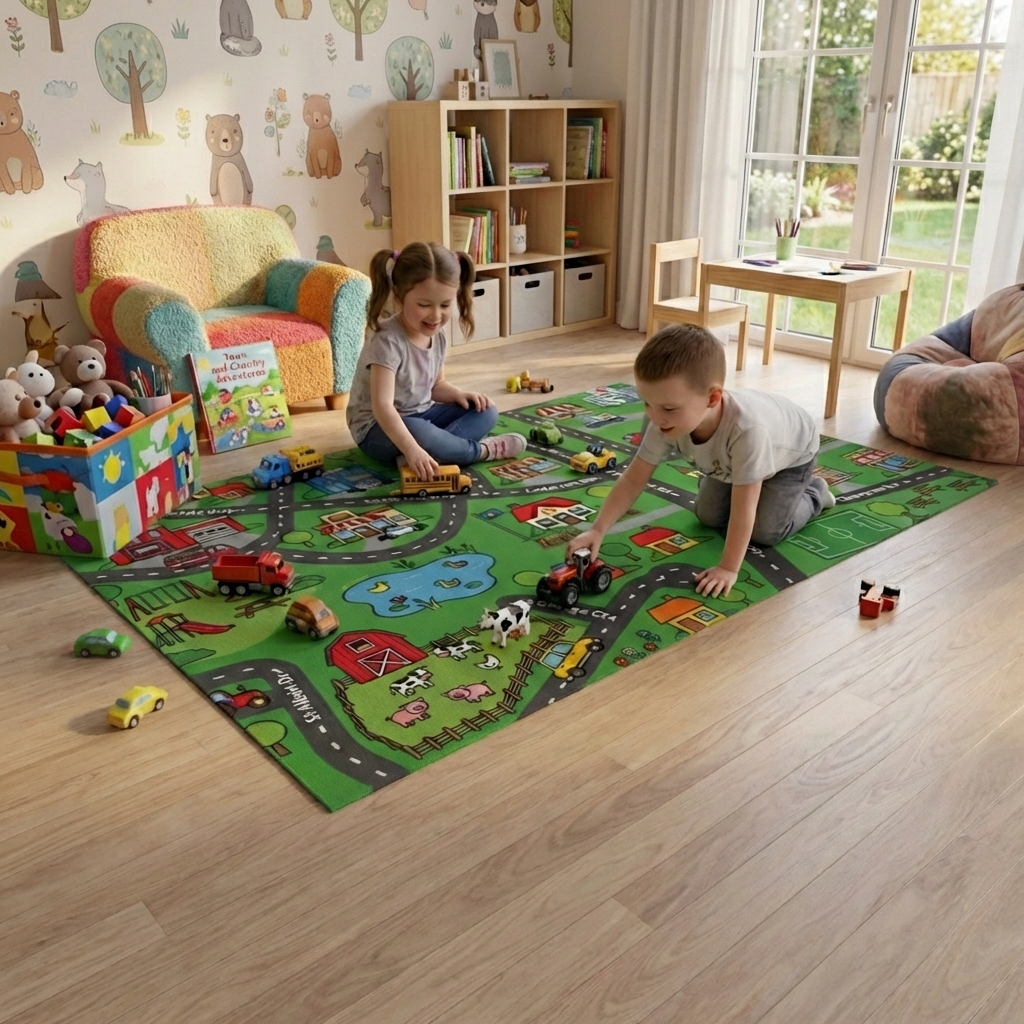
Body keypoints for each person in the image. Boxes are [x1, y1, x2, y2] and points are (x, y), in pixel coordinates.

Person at [567, 324, 835, 597]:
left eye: (669, 408)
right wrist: (598, 530)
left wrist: (729, 568)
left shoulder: (748, 431)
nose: (656, 418)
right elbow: (634, 478)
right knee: (707, 515)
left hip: (791, 455)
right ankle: (740, 475)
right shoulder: (663, 420)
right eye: (647, 403)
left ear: (712, 398)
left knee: (764, 532)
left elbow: (745, 507)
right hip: (733, 462)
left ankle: (815, 493)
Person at [347, 242, 526, 480]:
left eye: (445, 305)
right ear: (399, 297)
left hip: (422, 415)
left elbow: (436, 386)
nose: (436, 315)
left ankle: (435, 452)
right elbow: (383, 407)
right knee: (420, 431)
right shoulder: (387, 341)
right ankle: (480, 452)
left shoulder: (437, 335)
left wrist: (459, 395)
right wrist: (412, 448)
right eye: (424, 305)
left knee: (487, 411)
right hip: (376, 430)